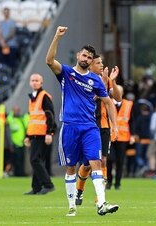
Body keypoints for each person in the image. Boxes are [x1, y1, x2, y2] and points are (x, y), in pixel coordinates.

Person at [46, 26, 119, 216]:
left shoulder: (95, 81)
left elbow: (109, 102)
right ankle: (71, 205)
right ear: (78, 55)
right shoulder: (67, 73)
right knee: (71, 167)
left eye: (89, 57)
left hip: (89, 128)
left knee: (96, 162)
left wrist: (115, 126)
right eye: (84, 55)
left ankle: (101, 203)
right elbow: (49, 61)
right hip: (70, 127)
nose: (86, 59)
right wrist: (57, 37)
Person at [75, 54, 122, 205]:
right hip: (88, 126)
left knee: (102, 161)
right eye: (98, 63)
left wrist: (112, 81)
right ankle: (79, 190)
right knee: (88, 164)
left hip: (103, 127)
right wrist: (103, 81)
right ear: (90, 65)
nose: (101, 65)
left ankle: (100, 198)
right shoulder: (83, 81)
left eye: (102, 62)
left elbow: (118, 98)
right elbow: (93, 97)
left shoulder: (105, 79)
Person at [24, 73, 56, 195]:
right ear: (30, 82)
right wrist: (27, 136)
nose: (35, 82)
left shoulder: (44, 96)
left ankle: (48, 184)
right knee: (37, 160)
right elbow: (32, 119)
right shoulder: (32, 98)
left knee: (35, 160)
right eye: (33, 80)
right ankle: (36, 187)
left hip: (43, 134)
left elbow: (50, 115)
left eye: (37, 80)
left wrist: (49, 133)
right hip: (34, 134)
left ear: (41, 83)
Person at [107, 85, 135, 190]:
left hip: (123, 137)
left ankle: (117, 183)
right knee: (109, 160)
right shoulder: (107, 102)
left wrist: (132, 135)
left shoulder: (128, 104)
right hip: (110, 136)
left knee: (120, 161)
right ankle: (109, 181)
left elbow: (131, 121)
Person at [7, 105, 30, 177]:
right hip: (15, 143)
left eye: (18, 110)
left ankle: (21, 173)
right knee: (16, 160)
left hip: (22, 142)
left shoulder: (22, 119)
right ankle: (17, 173)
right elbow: (9, 119)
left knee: (22, 159)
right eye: (15, 110)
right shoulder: (12, 119)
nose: (17, 112)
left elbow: (27, 125)